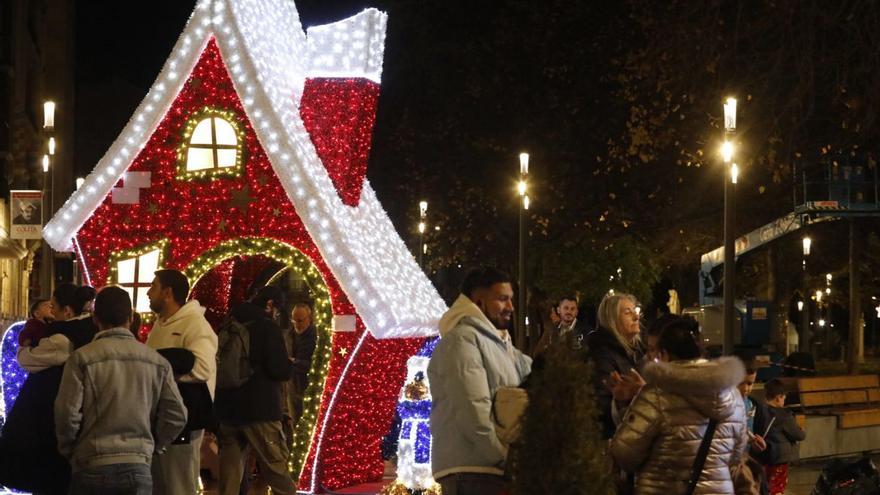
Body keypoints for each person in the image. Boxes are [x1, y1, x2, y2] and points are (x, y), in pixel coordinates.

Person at [54, 286, 187, 495]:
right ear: (130, 318)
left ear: (95, 319)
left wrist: (70, 450)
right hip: (138, 464)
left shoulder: (81, 358)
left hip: (91, 461)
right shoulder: (157, 362)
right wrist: (153, 446)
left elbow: (66, 413)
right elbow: (177, 415)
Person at [609, 317, 749, 494]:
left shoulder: (657, 394)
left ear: (664, 354)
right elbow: (736, 455)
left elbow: (625, 455)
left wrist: (626, 407)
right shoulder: (733, 395)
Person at [428, 267, 532, 495]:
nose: (511, 308)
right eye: (503, 299)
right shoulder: (462, 340)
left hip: (489, 471)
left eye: (511, 300)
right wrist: (503, 458)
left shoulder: (500, 344)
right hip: (472, 471)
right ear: (479, 301)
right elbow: (472, 408)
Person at [0, 284, 97, 494]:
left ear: (68, 311)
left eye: (54, 306)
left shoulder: (61, 339)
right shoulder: (88, 332)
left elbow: (26, 359)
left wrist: (26, 344)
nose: (51, 312)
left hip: (50, 417)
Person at [215, 285, 295, 495]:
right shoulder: (267, 327)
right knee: (276, 469)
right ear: (270, 305)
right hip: (260, 409)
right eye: (277, 309)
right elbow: (279, 370)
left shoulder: (229, 321)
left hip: (228, 409)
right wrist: (290, 364)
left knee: (229, 476)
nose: (277, 314)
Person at [146, 269, 218, 495]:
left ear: (167, 293)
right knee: (160, 484)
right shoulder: (160, 324)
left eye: (153, 287)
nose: (148, 293)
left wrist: (163, 373)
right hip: (159, 419)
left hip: (184, 419)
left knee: (179, 484)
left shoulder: (195, 324)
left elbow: (203, 368)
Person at [585, 292, 646, 438]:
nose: (636, 317)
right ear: (612, 319)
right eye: (627, 312)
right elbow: (600, 406)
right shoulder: (602, 354)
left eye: (635, 311)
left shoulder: (634, 353)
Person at [759, 379, 806, 495]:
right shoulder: (784, 415)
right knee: (777, 487)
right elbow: (798, 435)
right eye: (784, 397)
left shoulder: (760, 411)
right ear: (778, 397)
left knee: (764, 487)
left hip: (763, 455)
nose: (784, 400)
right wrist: (802, 430)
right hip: (779, 457)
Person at [284, 302, 316, 429]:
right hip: (292, 387)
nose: (297, 324)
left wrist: (294, 362)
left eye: (300, 320)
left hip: (309, 387)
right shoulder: (289, 336)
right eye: (294, 320)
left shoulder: (315, 337)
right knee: (295, 424)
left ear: (309, 319)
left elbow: (314, 363)